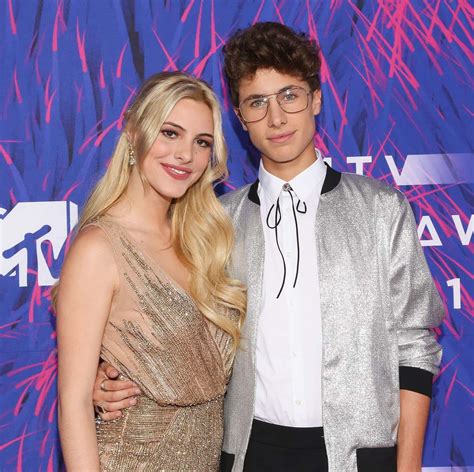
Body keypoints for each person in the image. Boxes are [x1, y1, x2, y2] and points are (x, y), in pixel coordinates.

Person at [93, 23, 444, 472]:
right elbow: (165, 328)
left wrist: (407, 466)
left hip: (359, 457)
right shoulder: (212, 224)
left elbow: (414, 346)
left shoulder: (380, 209)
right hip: (247, 455)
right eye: (257, 102)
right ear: (240, 118)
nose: (276, 118)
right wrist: (107, 375)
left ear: (316, 99)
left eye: (289, 96)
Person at [55, 71, 246, 471]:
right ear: (133, 133)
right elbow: (73, 404)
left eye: (201, 142)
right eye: (170, 133)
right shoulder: (99, 249)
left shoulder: (202, 241)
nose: (185, 155)